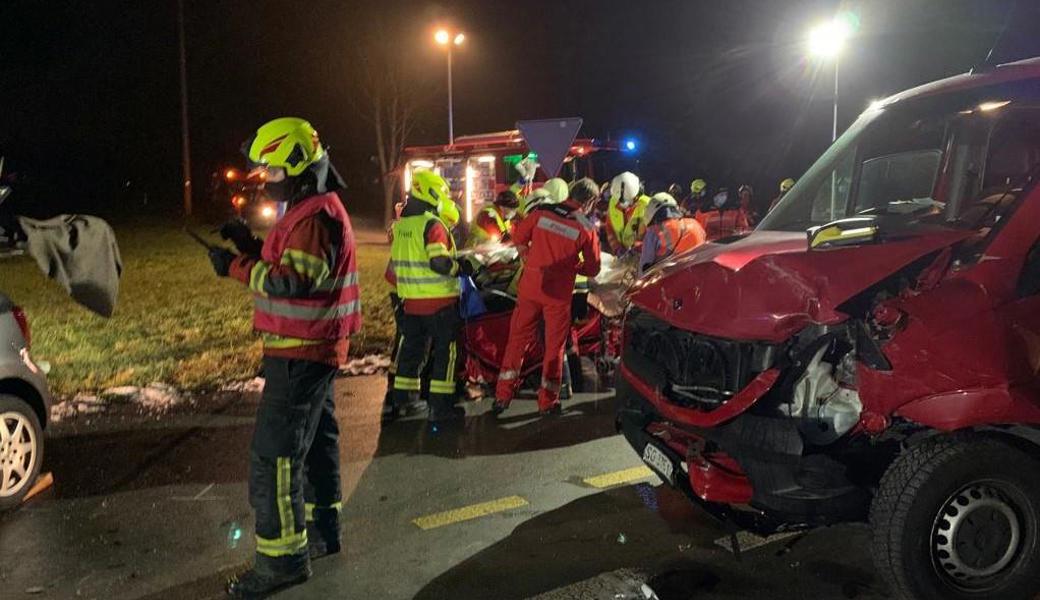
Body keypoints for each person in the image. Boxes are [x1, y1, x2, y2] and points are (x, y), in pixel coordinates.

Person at [208, 117, 360, 599]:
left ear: (295, 166)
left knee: (274, 457)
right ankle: (322, 530)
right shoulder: (310, 207)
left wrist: (234, 267)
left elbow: (290, 282)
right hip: (311, 348)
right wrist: (250, 245)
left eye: (272, 170)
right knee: (315, 443)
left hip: (301, 351)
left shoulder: (315, 216)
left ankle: (281, 562)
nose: (267, 178)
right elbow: (290, 264)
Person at [493, 178, 601, 416]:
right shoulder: (585, 225)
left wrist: (530, 256)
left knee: (517, 341)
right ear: (590, 201)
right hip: (558, 295)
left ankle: (502, 396)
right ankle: (547, 402)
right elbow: (593, 269)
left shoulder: (543, 211)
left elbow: (519, 237)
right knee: (554, 349)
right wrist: (574, 267)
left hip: (530, 288)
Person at [387, 170, 469, 427]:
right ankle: (440, 407)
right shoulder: (432, 224)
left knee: (412, 353)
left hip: (411, 303)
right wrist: (461, 268)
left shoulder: (401, 226)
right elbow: (439, 263)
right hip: (439, 303)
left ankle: (405, 401)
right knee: (447, 353)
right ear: (433, 194)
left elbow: (394, 269)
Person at [638, 192, 707, 274]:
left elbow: (644, 269)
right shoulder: (695, 224)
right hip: (698, 275)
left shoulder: (654, 232)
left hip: (671, 280)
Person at [605, 171, 651, 254]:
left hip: (644, 257)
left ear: (637, 195)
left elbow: (655, 239)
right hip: (623, 257)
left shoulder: (648, 206)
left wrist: (637, 248)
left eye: (627, 201)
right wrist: (616, 247)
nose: (621, 204)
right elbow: (609, 228)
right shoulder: (613, 202)